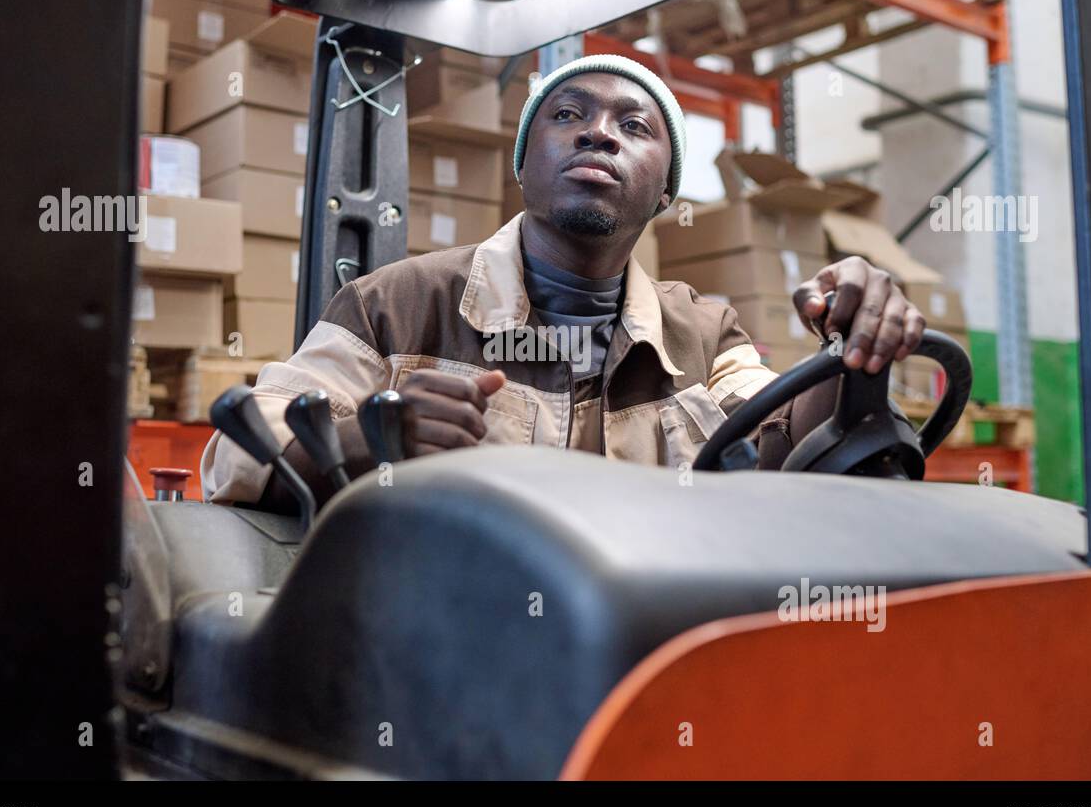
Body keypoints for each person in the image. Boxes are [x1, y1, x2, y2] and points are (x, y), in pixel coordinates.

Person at [201, 54, 927, 510]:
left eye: (634, 126)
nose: (598, 132)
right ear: (523, 166)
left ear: (665, 195)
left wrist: (850, 340)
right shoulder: (396, 304)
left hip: (640, 650)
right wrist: (372, 436)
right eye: (568, 115)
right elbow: (234, 456)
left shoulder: (704, 335)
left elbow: (794, 451)